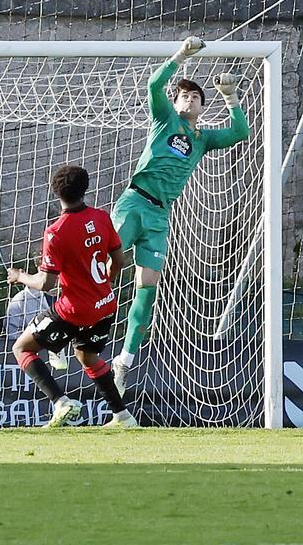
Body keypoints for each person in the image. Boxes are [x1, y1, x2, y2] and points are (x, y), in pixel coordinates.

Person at [111, 36, 248, 394]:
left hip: (160, 217)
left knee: (147, 290)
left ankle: (124, 361)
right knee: (101, 266)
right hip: (134, 203)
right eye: (184, 95)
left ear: (202, 107)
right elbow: (153, 85)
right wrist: (181, 55)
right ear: (175, 102)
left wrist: (230, 96)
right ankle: (64, 328)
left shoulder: (202, 138)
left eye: (196, 97)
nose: (190, 99)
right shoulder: (164, 118)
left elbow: (240, 132)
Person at [7, 165, 137, 428]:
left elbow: (45, 283)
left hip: (74, 311)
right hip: (105, 304)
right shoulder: (101, 217)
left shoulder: (56, 232)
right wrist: (105, 283)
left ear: (55, 192)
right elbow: (119, 259)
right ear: (85, 188)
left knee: (22, 348)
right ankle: (123, 416)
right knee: (87, 356)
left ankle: (61, 402)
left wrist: (20, 276)